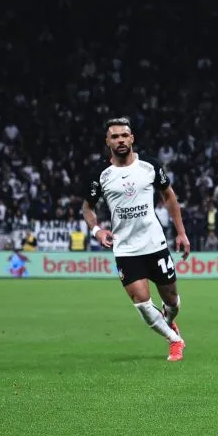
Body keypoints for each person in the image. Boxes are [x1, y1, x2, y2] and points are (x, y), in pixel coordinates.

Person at [81, 117, 191, 362]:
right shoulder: (101, 175)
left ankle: (169, 322)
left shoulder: (149, 166)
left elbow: (169, 197)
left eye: (124, 135)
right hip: (126, 249)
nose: (120, 140)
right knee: (141, 302)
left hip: (155, 244)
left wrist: (181, 233)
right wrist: (97, 230)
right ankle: (175, 341)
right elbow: (87, 208)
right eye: (114, 137)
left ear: (132, 138)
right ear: (107, 141)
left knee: (171, 301)